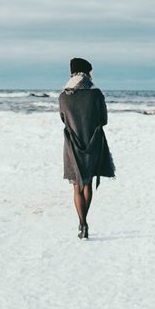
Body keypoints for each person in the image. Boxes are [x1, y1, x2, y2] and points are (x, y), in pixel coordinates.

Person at [58, 57, 114, 239]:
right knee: (87, 183)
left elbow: (64, 120)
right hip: (93, 142)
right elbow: (104, 120)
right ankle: (84, 223)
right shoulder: (96, 94)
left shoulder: (63, 96)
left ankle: (82, 224)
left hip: (72, 143)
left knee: (76, 186)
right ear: (86, 73)